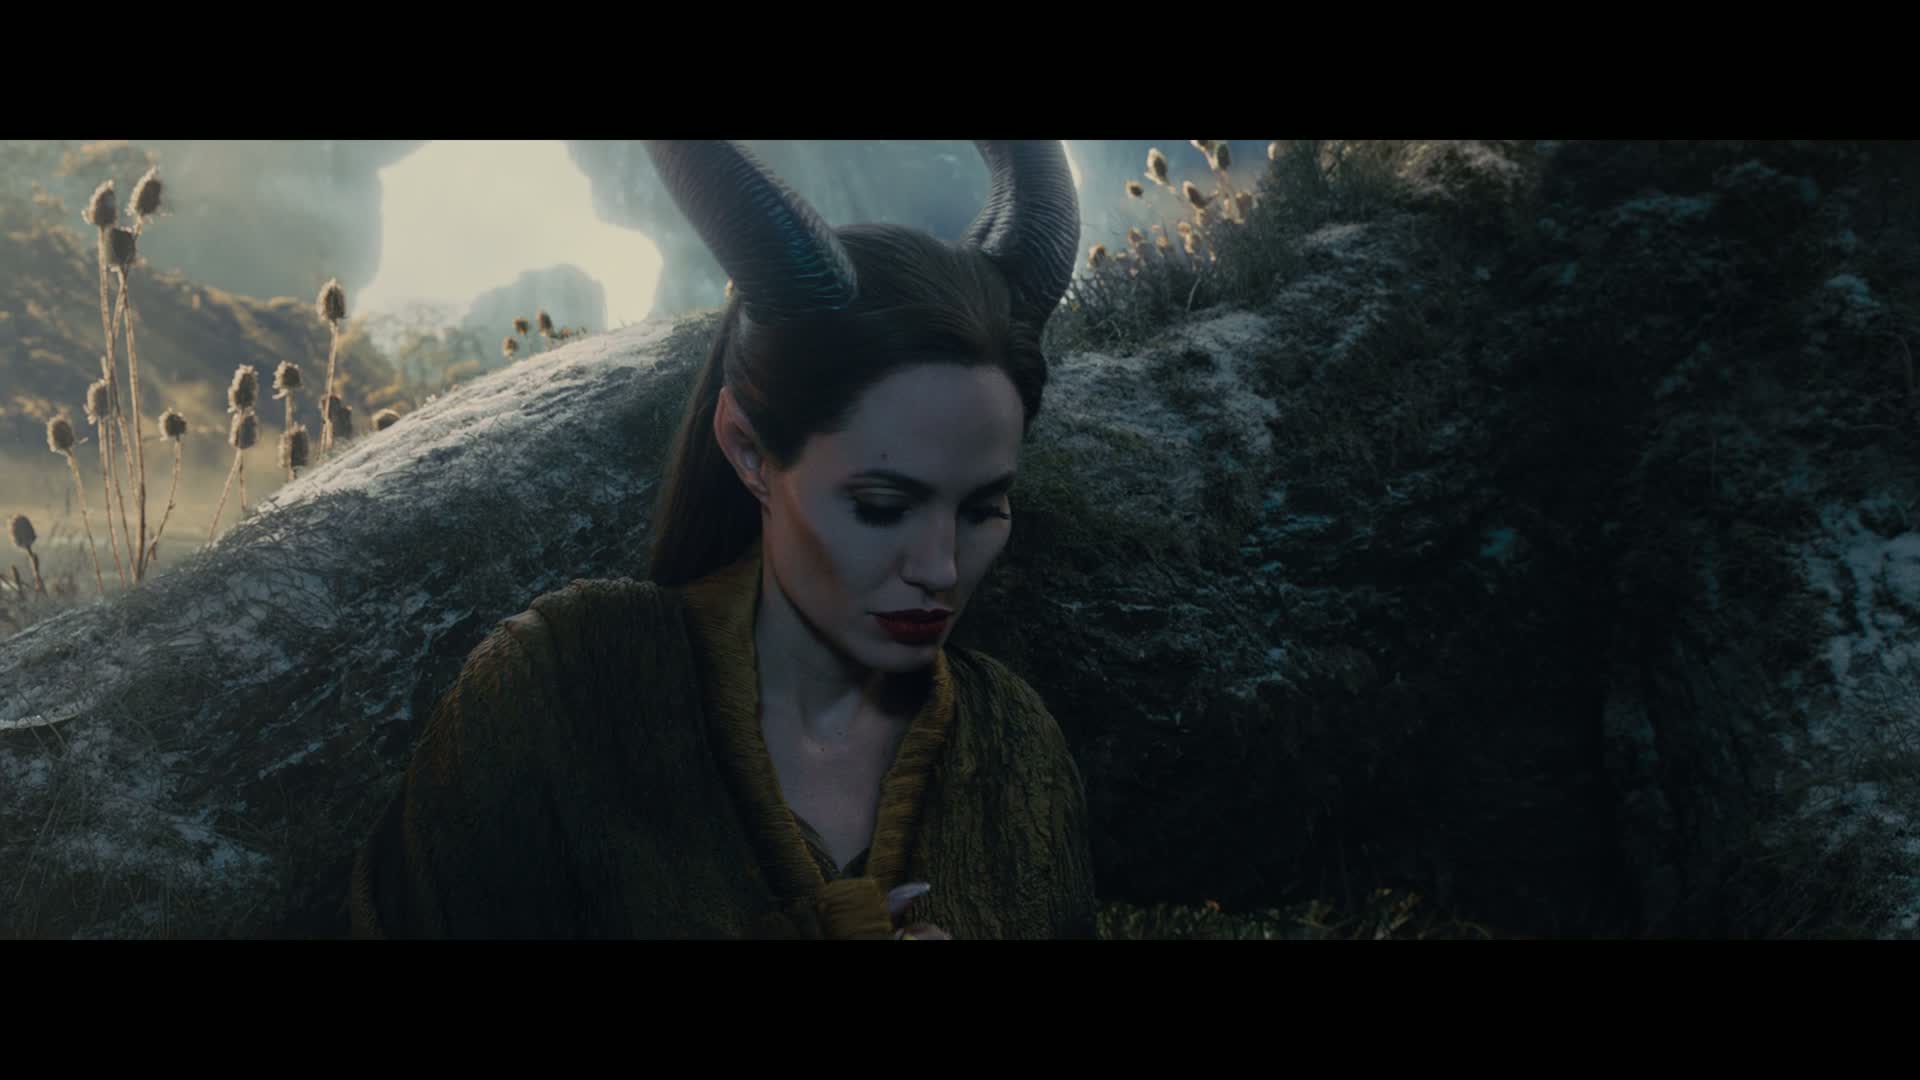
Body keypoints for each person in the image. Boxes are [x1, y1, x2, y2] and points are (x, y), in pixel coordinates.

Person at [349, 141, 1097, 939]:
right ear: (748, 450)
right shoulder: (563, 686)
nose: (940, 567)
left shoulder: (1011, 741)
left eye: (983, 510)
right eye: (882, 506)